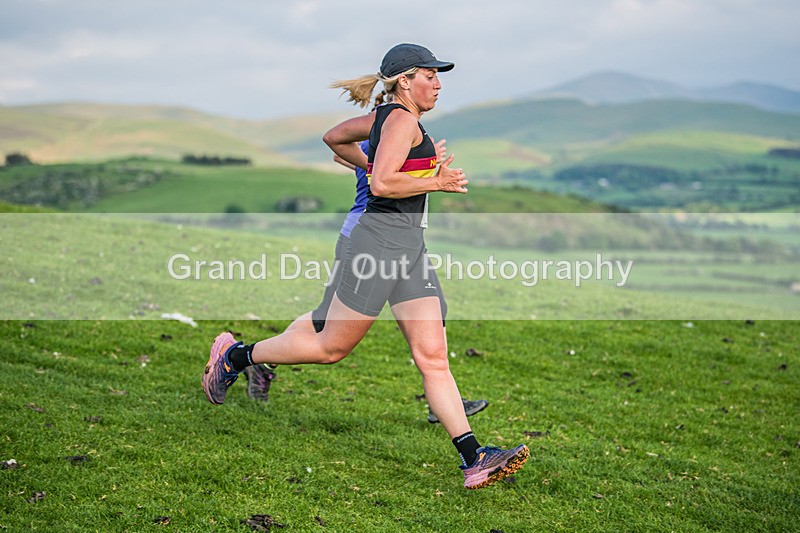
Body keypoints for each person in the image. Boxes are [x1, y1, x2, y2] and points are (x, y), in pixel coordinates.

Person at [203, 43, 528, 489]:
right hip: (377, 247)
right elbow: (380, 182)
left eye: (438, 75)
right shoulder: (399, 119)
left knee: (432, 356)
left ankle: (475, 458)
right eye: (429, 75)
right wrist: (434, 180)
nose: (438, 83)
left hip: (407, 248)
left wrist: (397, 165)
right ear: (405, 79)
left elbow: (336, 139)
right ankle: (236, 356)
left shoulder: (386, 120)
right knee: (329, 348)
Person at [244, 131, 489, 424]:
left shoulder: (402, 127)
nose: (435, 86)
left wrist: (413, 163)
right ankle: (258, 360)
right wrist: (397, 166)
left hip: (401, 240)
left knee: (437, 309)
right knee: (325, 319)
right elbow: (342, 153)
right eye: (429, 80)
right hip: (364, 235)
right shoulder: (385, 126)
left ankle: (441, 399)